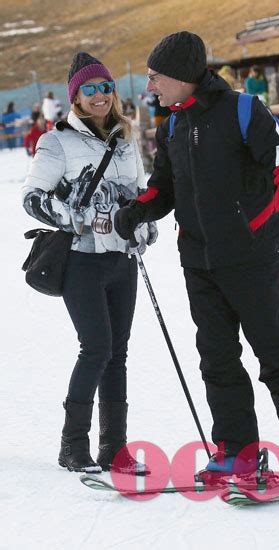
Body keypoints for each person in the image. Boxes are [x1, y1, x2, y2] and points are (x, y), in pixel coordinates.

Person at [114, 31, 279, 487]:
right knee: (217, 359)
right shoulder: (170, 125)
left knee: (276, 356)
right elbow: (163, 188)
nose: (150, 86)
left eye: (155, 77)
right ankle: (238, 453)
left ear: (182, 75)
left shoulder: (243, 110)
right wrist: (138, 210)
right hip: (199, 262)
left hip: (250, 256)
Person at [22, 52, 158, 474]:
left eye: (105, 87)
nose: (100, 95)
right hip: (80, 260)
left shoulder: (124, 139)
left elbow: (139, 193)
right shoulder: (56, 141)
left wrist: (143, 224)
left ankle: (113, 449)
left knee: (118, 352)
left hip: (122, 260)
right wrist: (71, 213)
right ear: (75, 96)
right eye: (90, 89)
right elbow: (32, 199)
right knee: (96, 347)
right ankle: (72, 446)